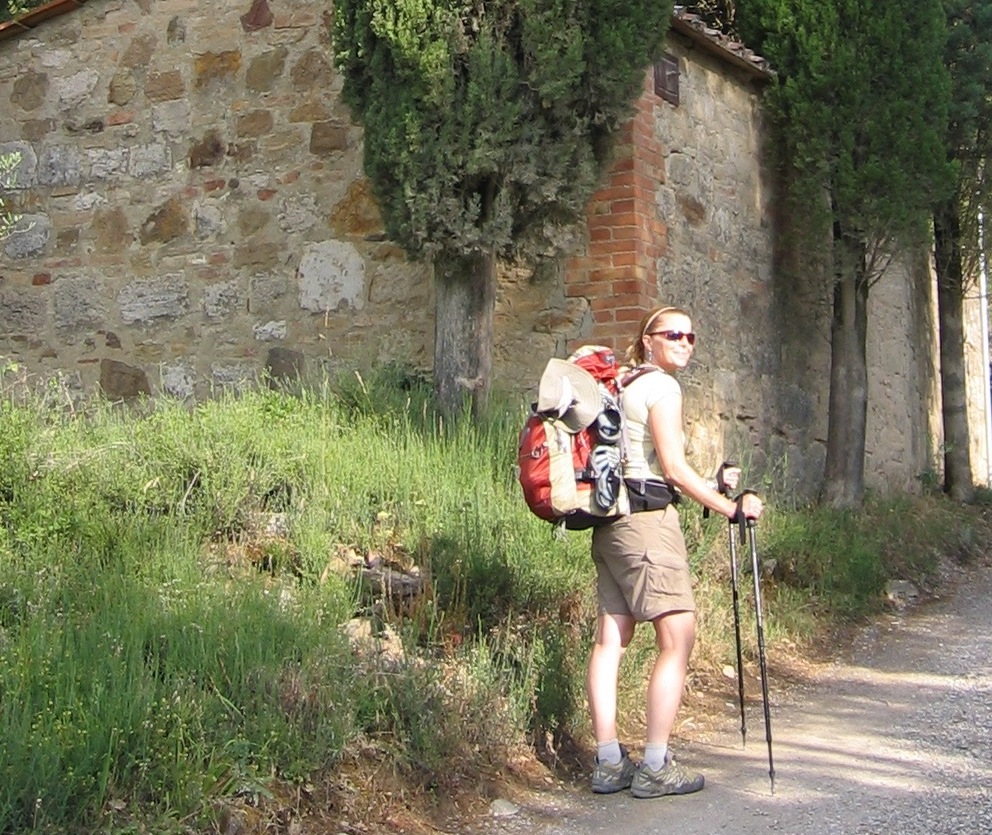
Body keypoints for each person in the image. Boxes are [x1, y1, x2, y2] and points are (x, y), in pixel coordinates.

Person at [586, 304, 764, 799]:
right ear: (648, 340)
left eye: (691, 336)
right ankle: (657, 764)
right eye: (673, 335)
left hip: (610, 523)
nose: (684, 342)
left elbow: (645, 467)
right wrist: (730, 507)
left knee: (610, 641)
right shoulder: (662, 387)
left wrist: (708, 485)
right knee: (677, 637)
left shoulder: (620, 386)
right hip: (648, 528)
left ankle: (608, 762)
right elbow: (673, 468)